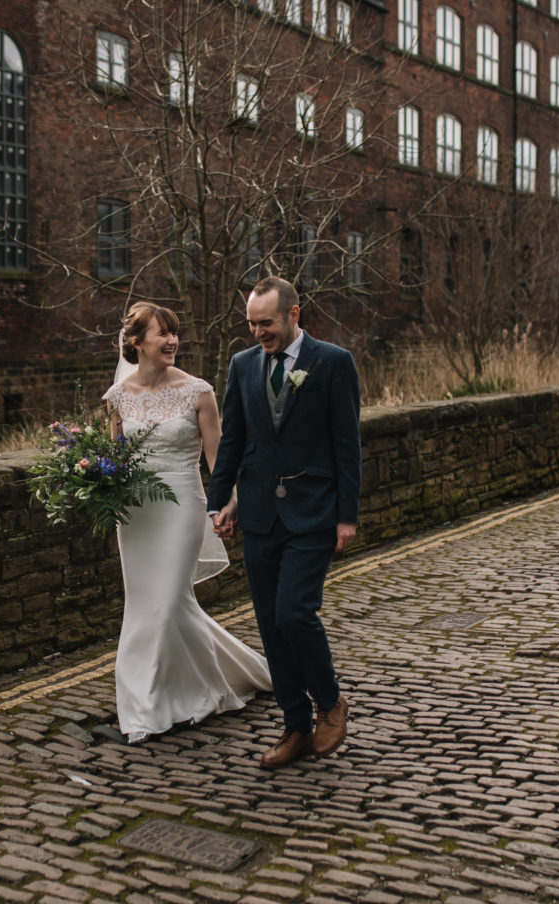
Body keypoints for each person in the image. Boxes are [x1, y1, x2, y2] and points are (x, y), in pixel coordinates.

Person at [207, 276, 361, 769]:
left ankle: (330, 701)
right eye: (251, 323)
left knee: (295, 612)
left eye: (266, 323)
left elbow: (346, 446)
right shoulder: (242, 365)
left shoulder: (333, 362)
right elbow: (233, 442)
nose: (258, 333)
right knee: (271, 626)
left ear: (294, 315)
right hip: (259, 512)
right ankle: (295, 725)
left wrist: (346, 515)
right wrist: (221, 503)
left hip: (314, 509)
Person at [102, 302, 272, 743]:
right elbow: (115, 462)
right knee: (150, 606)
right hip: (136, 513)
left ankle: (148, 704)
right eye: (163, 333)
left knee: (166, 604)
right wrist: (90, 480)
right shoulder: (117, 397)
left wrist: (226, 505)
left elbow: (219, 460)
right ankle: (208, 681)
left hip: (182, 506)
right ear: (137, 343)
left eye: (175, 333)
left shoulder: (199, 391)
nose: (173, 340)